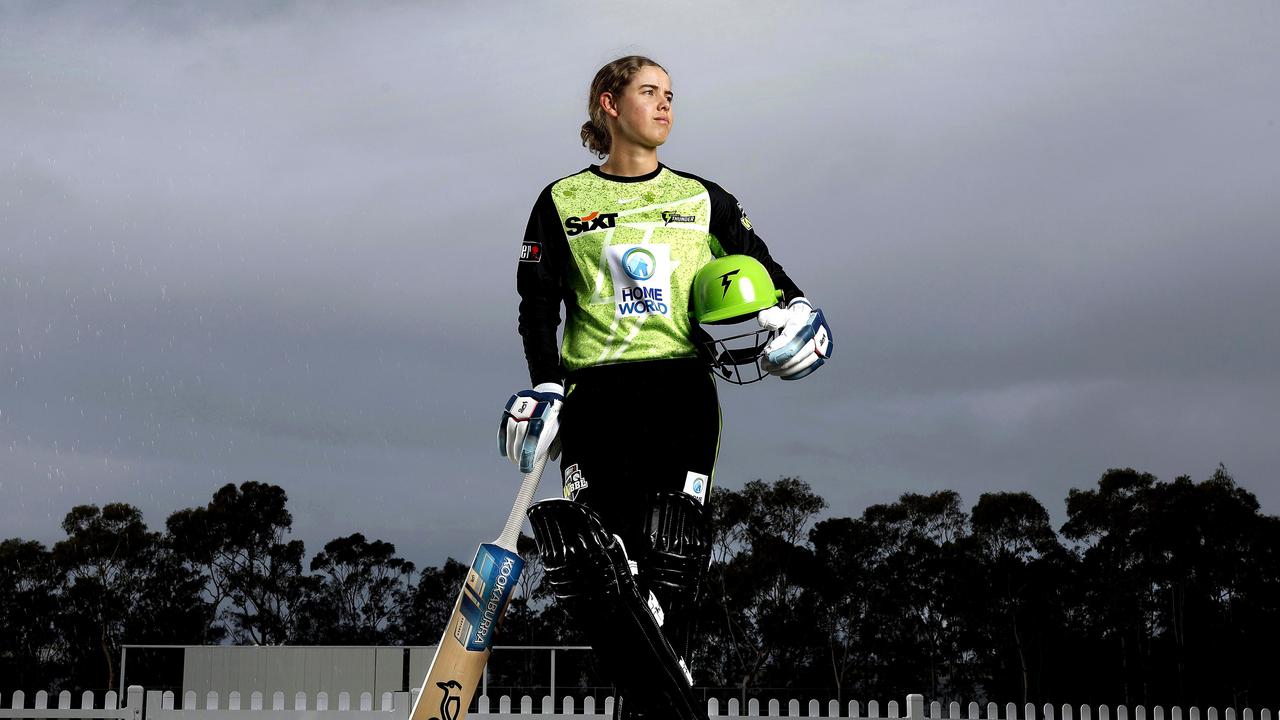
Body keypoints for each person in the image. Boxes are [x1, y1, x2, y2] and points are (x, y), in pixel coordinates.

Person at [496, 55, 832, 719]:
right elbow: (537, 305)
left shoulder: (705, 198)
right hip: (594, 399)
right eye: (650, 92)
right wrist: (545, 388)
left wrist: (801, 316)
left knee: (673, 550)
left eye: (671, 95)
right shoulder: (561, 200)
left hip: (680, 392)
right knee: (593, 564)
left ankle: (655, 690)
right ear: (609, 104)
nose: (666, 105)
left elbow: (771, 277)